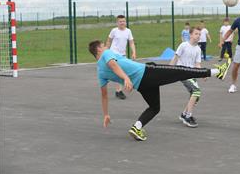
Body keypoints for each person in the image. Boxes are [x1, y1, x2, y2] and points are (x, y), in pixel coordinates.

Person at [88, 40, 231, 141]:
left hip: (142, 85)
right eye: (103, 46)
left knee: (155, 107)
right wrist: (125, 78)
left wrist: (106, 114)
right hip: (147, 73)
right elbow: (113, 64)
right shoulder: (106, 55)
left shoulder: (100, 72)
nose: (106, 47)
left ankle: (137, 127)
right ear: (99, 50)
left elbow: (104, 95)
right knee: (180, 71)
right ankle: (216, 72)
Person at [170, 26, 211, 128]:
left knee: (196, 96)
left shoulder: (198, 49)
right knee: (196, 91)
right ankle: (188, 116)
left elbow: (197, 64)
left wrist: (203, 74)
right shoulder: (183, 45)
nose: (198, 36)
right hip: (182, 72)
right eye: (196, 34)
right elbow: (175, 58)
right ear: (191, 35)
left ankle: (184, 114)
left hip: (192, 73)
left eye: (199, 34)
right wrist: (168, 70)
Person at [105, 15, 136, 99]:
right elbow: (109, 41)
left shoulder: (128, 31)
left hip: (122, 55)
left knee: (121, 72)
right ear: (117, 23)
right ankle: (119, 91)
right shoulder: (114, 31)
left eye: (123, 21)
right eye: (120, 21)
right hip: (113, 54)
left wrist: (133, 52)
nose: (122, 23)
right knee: (119, 72)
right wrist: (106, 52)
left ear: (125, 22)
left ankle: (119, 90)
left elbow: (131, 42)